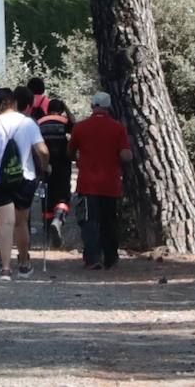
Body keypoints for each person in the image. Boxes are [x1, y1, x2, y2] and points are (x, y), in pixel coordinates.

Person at [0, 87, 50, 281]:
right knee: (21, 222)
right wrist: (44, 168)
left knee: (6, 222)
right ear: (14, 102)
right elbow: (42, 150)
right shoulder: (28, 123)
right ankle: (24, 264)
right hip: (24, 177)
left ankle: (6, 269)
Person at [70, 90, 132, 271]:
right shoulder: (118, 128)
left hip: (88, 183)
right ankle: (111, 257)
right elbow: (126, 155)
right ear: (108, 107)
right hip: (111, 183)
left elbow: (70, 151)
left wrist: (76, 159)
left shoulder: (80, 127)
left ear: (92, 106)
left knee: (90, 221)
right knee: (109, 221)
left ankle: (92, 258)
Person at [38, 98, 74, 245]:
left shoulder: (40, 122)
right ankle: (58, 219)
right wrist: (67, 109)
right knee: (63, 196)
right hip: (63, 164)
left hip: (45, 165)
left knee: (46, 197)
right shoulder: (65, 122)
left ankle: (47, 233)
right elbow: (76, 125)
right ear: (61, 109)